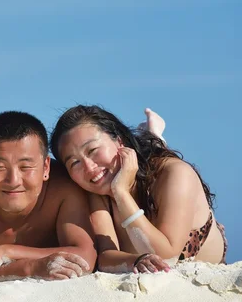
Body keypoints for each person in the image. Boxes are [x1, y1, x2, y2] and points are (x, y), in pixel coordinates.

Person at [49, 105, 227, 274]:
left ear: (119, 140)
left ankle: (153, 136)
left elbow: (167, 256)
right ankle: (151, 134)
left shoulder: (176, 173)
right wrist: (135, 261)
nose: (89, 167)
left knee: (151, 160)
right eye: (74, 162)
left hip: (207, 255)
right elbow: (105, 256)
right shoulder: (97, 191)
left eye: (93, 150)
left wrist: (120, 192)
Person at [0, 111, 96, 283]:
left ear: (46, 167)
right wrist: (31, 268)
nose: (13, 181)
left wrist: (5, 252)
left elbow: (86, 257)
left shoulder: (62, 185)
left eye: (25, 167)